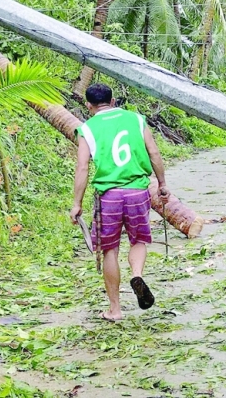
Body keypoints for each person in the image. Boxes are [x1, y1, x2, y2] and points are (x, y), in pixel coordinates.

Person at [70, 83, 171, 321]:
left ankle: (115, 310)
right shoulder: (136, 119)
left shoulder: (87, 128)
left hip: (109, 196)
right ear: (113, 101)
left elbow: (83, 167)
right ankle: (136, 274)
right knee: (138, 241)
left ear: (88, 105)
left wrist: (76, 203)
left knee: (109, 250)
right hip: (137, 193)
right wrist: (162, 183)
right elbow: (154, 152)